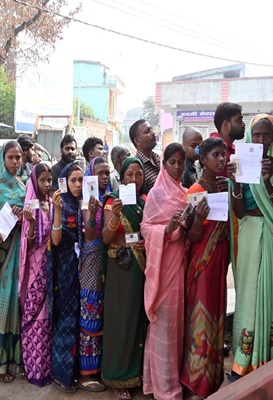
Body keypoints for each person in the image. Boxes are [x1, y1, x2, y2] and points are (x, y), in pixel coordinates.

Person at [227, 114, 273, 380]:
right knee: (249, 295)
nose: (261, 140)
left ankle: (270, 355)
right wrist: (237, 182)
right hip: (250, 232)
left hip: (271, 230)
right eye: (257, 135)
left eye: (267, 135)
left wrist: (266, 180)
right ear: (250, 137)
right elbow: (239, 212)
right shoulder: (239, 163)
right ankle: (244, 359)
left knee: (271, 293)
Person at [181, 137, 230, 399]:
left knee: (216, 314)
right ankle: (194, 381)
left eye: (224, 154)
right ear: (203, 159)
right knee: (200, 317)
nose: (222, 159)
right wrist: (199, 220)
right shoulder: (196, 190)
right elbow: (191, 236)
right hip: (202, 264)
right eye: (215, 155)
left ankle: (211, 378)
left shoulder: (223, 186)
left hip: (220, 262)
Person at [140, 143, 189, 400]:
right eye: (173, 162)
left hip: (180, 267)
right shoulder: (157, 194)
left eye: (181, 162)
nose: (178, 167)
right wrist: (167, 230)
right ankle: (164, 388)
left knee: (178, 327)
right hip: (163, 270)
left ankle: (167, 382)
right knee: (164, 327)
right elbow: (145, 228)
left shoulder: (187, 194)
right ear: (164, 164)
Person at [101, 157, 147, 400]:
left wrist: (145, 242)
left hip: (140, 266)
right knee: (119, 321)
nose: (134, 180)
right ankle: (117, 377)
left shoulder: (145, 202)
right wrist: (116, 217)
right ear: (121, 176)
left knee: (137, 319)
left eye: (138, 175)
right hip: (120, 267)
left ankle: (136, 373)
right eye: (129, 175)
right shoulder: (112, 201)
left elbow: (150, 231)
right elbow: (106, 238)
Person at [0, 141, 26, 382]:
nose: (15, 162)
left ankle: (16, 361)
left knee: (19, 307)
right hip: (4, 255)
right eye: (10, 157)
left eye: (18, 157)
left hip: (22, 254)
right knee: (4, 305)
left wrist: (24, 219)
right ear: (2, 158)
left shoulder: (25, 185)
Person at [48, 162, 83, 393]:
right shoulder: (60, 205)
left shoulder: (86, 203)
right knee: (66, 319)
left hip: (84, 267)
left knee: (79, 319)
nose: (78, 185)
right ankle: (61, 373)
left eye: (81, 180)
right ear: (64, 182)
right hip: (65, 268)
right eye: (73, 181)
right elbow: (56, 240)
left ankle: (75, 369)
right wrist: (59, 211)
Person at [77, 157, 111, 392]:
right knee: (90, 311)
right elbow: (89, 236)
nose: (105, 177)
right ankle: (85, 371)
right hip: (91, 259)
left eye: (108, 173)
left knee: (102, 312)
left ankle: (100, 367)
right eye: (100, 173)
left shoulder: (110, 198)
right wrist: (92, 213)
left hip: (107, 258)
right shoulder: (87, 202)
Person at [19, 163, 53, 386]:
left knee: (47, 317)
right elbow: (29, 243)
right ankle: (33, 369)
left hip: (50, 265)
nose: (47, 184)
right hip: (35, 267)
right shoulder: (30, 207)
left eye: (49, 180)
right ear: (34, 181)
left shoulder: (51, 203)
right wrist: (31, 223)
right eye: (42, 180)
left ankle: (46, 368)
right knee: (33, 315)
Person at [211, 102, 245, 177]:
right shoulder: (213, 150)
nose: (243, 124)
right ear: (226, 125)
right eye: (239, 120)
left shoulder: (234, 149)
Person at [129, 120, 160, 195]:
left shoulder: (158, 158)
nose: (153, 133)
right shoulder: (136, 166)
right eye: (147, 131)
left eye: (151, 129)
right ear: (137, 141)